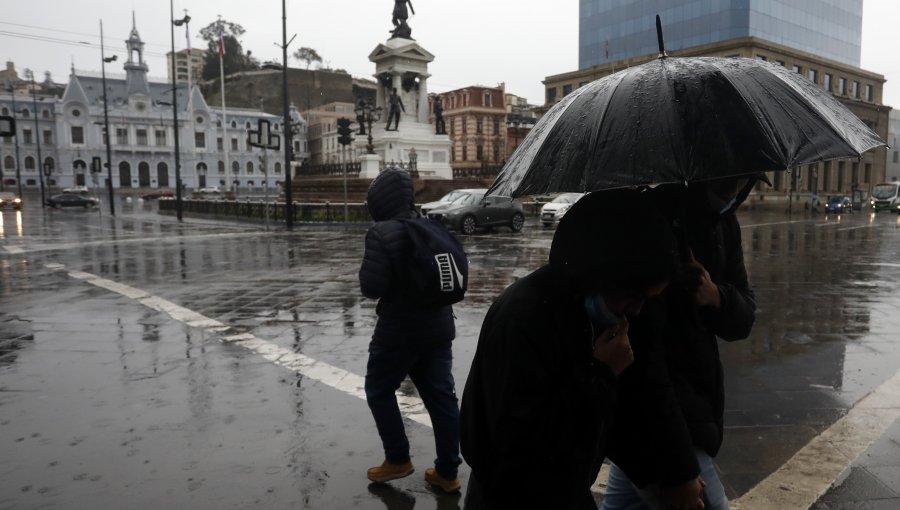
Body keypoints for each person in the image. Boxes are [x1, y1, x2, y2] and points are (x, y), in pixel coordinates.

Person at [460, 188, 681, 509]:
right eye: (634, 297)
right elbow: (527, 449)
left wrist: (668, 475)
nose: (636, 310)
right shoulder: (525, 319)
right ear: (602, 274)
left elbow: (610, 424)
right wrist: (602, 373)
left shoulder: (586, 312)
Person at [601, 177, 760, 510]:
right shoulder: (659, 219)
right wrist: (680, 469)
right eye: (731, 171)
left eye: (748, 175)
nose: (737, 183)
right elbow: (645, 358)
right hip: (667, 413)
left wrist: (717, 296)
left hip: (686, 401)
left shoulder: (724, 224)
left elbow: (744, 317)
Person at [359, 167, 463, 494]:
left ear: (378, 199)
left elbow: (371, 287)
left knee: (378, 389)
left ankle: (398, 458)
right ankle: (447, 472)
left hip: (399, 332)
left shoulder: (382, 232)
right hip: (439, 329)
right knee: (442, 399)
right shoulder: (432, 226)